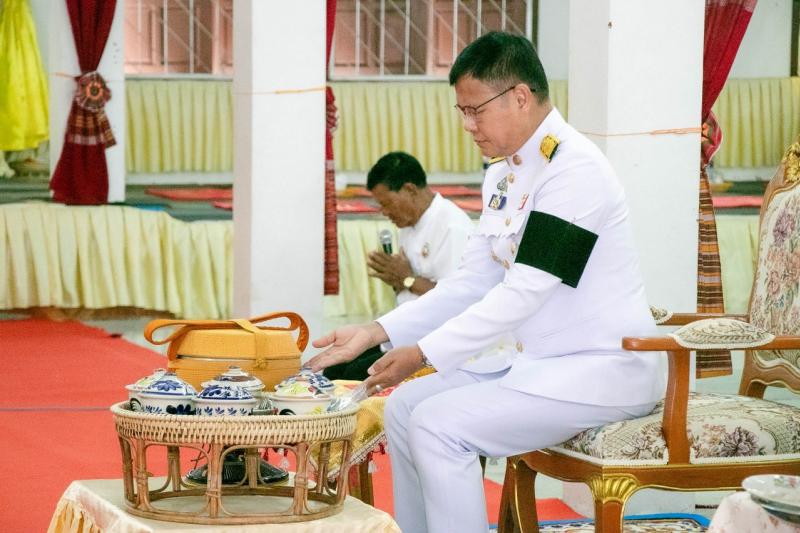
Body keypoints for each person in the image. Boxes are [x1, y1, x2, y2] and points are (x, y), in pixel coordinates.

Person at [308, 32, 666, 533]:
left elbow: (525, 291)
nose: (467, 125)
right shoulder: (504, 175)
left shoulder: (575, 171)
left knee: (439, 426)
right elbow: (471, 281)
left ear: (519, 96)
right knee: (405, 408)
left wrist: (423, 354)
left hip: (600, 368)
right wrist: (375, 332)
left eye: (475, 110)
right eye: (462, 111)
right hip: (539, 365)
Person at [323, 151, 474, 381]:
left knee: (353, 375)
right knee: (335, 366)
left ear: (409, 190)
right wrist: (397, 279)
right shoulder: (408, 224)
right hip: (403, 330)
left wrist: (406, 279)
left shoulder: (452, 228)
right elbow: (407, 284)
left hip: (432, 342)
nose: (384, 212)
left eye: (386, 204)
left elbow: (458, 301)